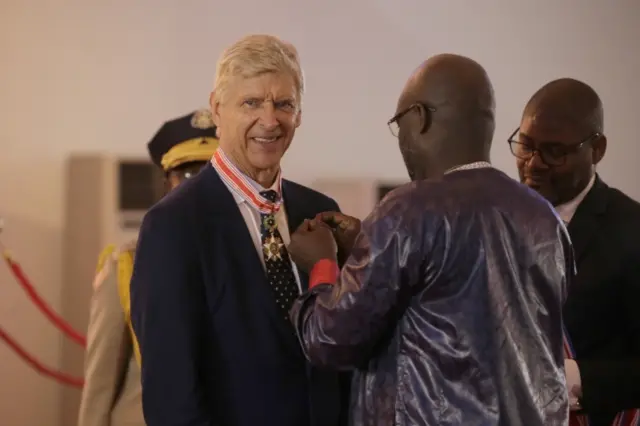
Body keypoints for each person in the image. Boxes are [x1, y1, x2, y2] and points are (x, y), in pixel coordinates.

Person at [287, 53, 571, 426]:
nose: (401, 137)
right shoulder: (544, 217)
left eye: (398, 123)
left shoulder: (408, 210)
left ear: (419, 118)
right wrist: (366, 243)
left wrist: (322, 265)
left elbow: (330, 340)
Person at [129, 34, 349, 426]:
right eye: (251, 103)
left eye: (284, 104)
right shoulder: (173, 226)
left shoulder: (321, 212)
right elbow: (171, 396)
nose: (270, 120)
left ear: (299, 113)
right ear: (217, 108)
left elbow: (342, 355)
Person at [77, 109, 219, 426]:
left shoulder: (252, 258)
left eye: (212, 174)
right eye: (185, 174)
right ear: (166, 183)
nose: (196, 186)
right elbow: (100, 385)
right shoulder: (126, 265)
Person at [511, 78, 640, 426]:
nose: (533, 164)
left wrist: (572, 378)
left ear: (597, 149)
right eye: (525, 145)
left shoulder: (632, 230)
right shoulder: (498, 221)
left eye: (555, 151)